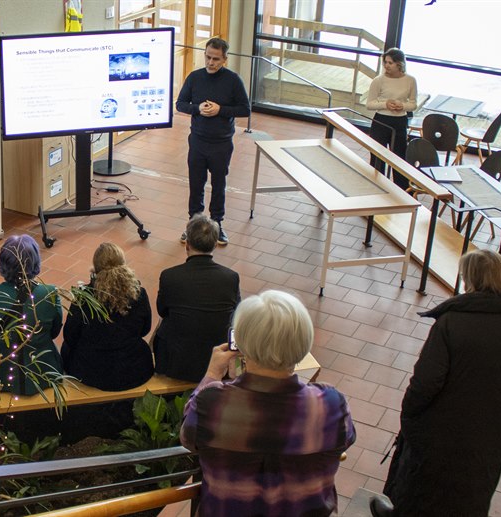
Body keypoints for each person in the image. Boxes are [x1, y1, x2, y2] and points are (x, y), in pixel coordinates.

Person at [371, 250, 501, 517]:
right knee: (474, 485)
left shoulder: (450, 322)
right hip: (489, 428)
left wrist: (410, 411)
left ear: (469, 280)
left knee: (423, 482)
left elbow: (426, 382)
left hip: (441, 424)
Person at [180, 290, 356, 516]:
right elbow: (346, 439)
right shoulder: (331, 404)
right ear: (304, 342)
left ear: (241, 345)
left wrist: (213, 375)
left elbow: (188, 438)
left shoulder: (212, 403)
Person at [175, 37, 250, 246]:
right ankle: (193, 224)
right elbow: (180, 104)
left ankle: (217, 224)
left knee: (219, 185)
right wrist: (197, 108)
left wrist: (220, 110)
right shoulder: (195, 77)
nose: (210, 62)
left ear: (224, 59)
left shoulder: (233, 80)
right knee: (196, 184)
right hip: (198, 141)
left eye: (216, 59)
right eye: (208, 57)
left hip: (221, 143)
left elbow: (245, 109)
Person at [154, 214, 240, 382]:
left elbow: (162, 311)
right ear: (215, 245)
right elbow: (237, 314)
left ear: (187, 244)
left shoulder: (169, 276)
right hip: (217, 358)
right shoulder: (231, 277)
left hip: (178, 361)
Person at [0, 235, 64, 396]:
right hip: (43, 373)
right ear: (35, 263)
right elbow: (54, 332)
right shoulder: (49, 293)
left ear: (3, 263)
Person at [61, 243, 154, 391]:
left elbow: (70, 336)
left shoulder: (84, 298)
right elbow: (145, 329)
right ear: (123, 265)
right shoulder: (139, 294)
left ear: (95, 269)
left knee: (66, 349)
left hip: (91, 372)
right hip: (133, 369)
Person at [364, 47, 418, 191]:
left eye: (390, 63)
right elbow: (369, 104)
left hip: (399, 122)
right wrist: (385, 104)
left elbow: (413, 104)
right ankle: (375, 188)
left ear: (399, 64)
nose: (387, 66)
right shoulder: (378, 81)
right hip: (381, 121)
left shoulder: (410, 80)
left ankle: (402, 192)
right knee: (377, 157)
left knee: (399, 157)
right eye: (385, 62)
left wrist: (402, 106)